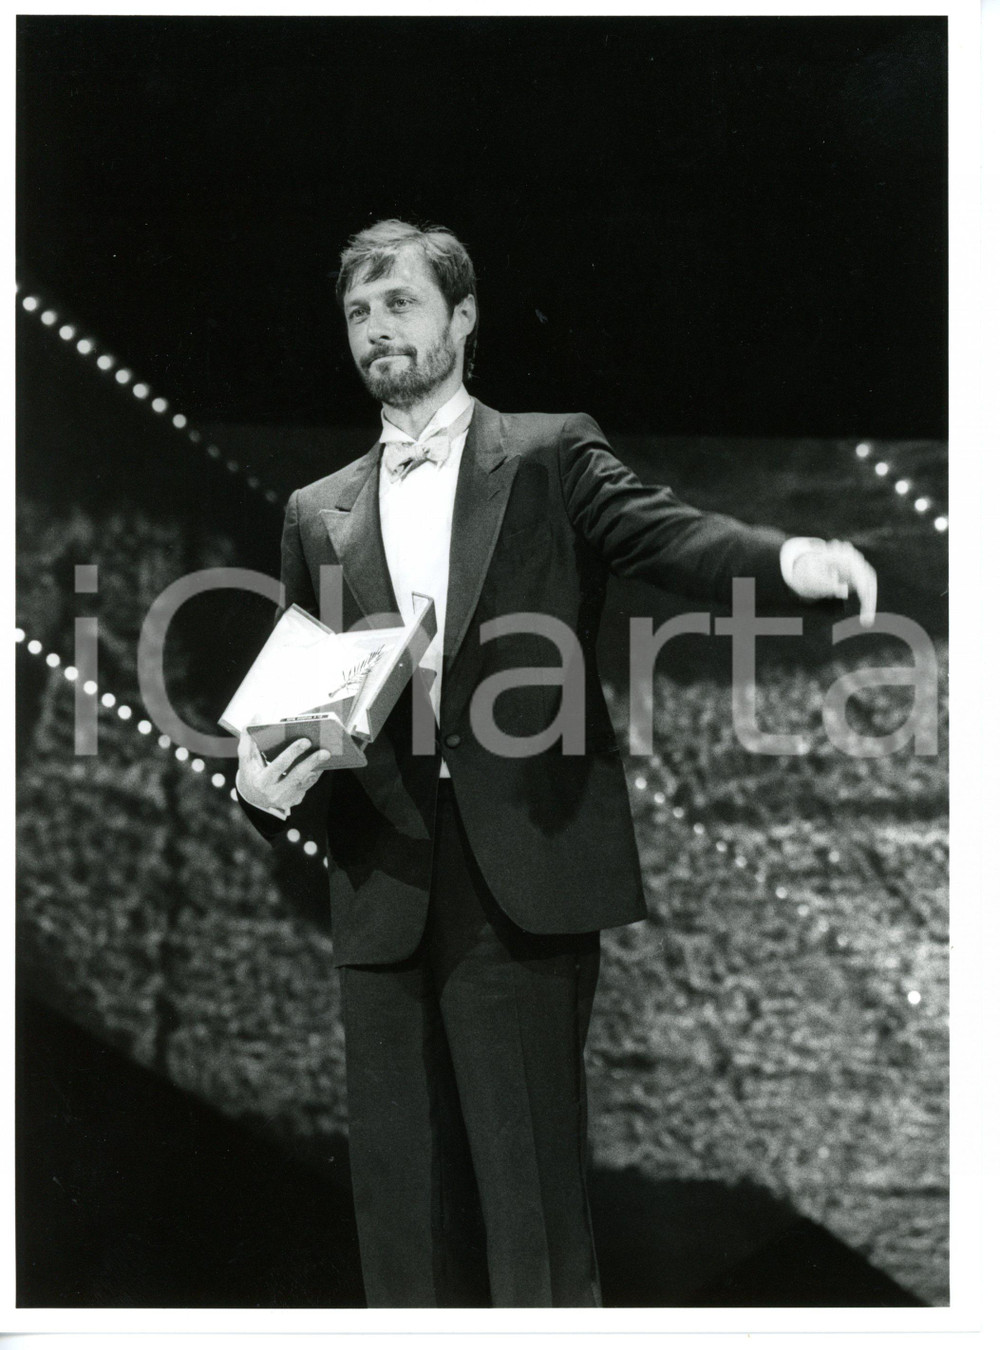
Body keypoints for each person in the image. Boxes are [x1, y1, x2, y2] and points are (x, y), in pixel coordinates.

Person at [236, 218, 878, 1308]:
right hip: (382, 882)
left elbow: (667, 537)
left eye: (400, 304)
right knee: (400, 1212)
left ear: (462, 316)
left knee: (528, 1206)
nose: (378, 329)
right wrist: (255, 785)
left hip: (519, 878)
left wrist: (792, 558)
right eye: (358, 312)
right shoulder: (317, 509)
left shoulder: (544, 451)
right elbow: (298, 695)